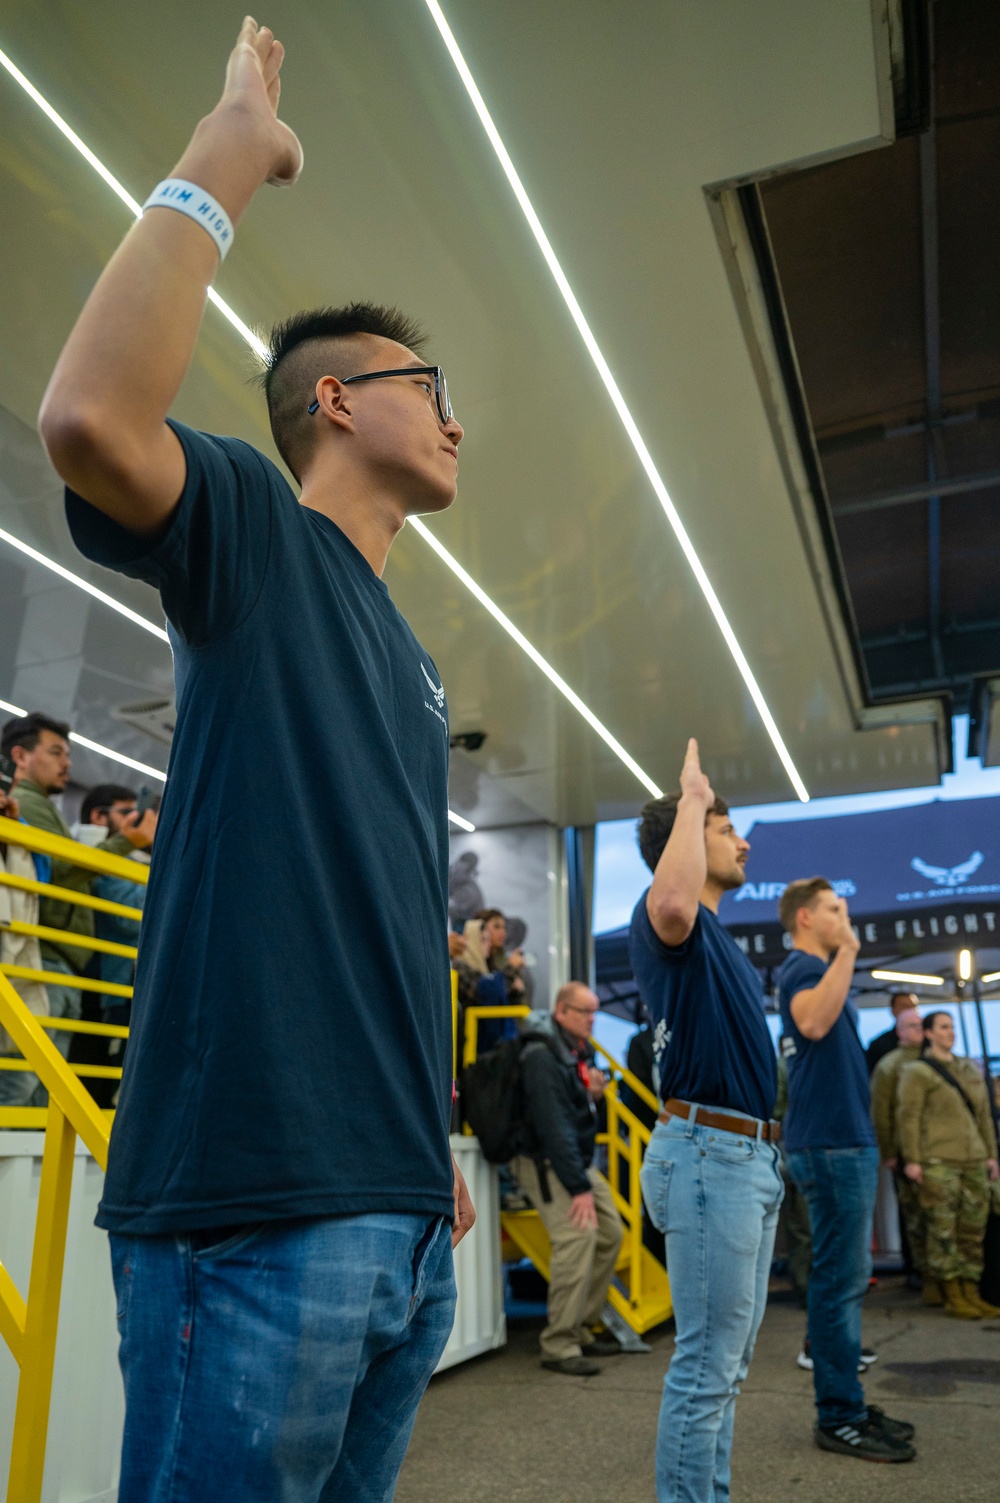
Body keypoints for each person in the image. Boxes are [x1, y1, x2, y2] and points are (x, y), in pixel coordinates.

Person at [38, 20, 473, 1502]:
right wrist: (231, 149)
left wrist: (432, 1159)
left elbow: (396, 919)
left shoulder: (414, 658)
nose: (458, 412)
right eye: (431, 380)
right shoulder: (255, 533)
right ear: (338, 402)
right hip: (260, 1203)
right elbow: (91, 417)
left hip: (399, 1211)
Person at [629, 738, 783, 1503]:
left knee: (727, 1363)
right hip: (710, 1155)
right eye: (728, 827)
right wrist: (692, 797)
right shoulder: (669, 918)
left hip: (742, 1159)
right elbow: (673, 900)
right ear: (688, 840)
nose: (743, 839)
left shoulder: (715, 939)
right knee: (706, 1365)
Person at [776, 878, 913, 1463]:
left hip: (839, 1142)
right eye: (835, 909)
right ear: (806, 917)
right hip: (831, 1146)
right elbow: (810, 1024)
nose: (845, 917)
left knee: (845, 1278)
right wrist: (850, 951)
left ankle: (847, 1401)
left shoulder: (817, 970)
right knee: (838, 1281)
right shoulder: (803, 971)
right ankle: (838, 1414)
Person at [2, 715, 152, 1062]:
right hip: (44, 957)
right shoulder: (26, 800)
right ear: (21, 757)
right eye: (56, 752)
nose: (66, 763)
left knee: (38, 1089)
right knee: (22, 1084)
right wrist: (126, 843)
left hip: (58, 960)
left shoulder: (38, 805)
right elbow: (57, 870)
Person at [510, 983, 624, 1375]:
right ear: (561, 1011)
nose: (591, 1018)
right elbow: (553, 1127)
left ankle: (581, 1325)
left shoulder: (578, 1052)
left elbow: (574, 1119)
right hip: (543, 1162)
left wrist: (592, 1097)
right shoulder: (542, 1056)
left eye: (594, 1012)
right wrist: (578, 1188)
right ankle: (559, 1344)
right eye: (583, 1011)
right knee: (578, 1237)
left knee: (611, 1234)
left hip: (572, 1160)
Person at [897, 1011, 1000, 1320]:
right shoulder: (917, 1072)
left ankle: (971, 1290)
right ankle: (951, 1293)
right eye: (943, 1027)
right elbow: (908, 1116)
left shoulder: (967, 1068)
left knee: (972, 1230)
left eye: (952, 1027)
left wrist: (991, 1155)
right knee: (943, 1231)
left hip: (973, 1159)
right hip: (938, 1161)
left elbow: (984, 1115)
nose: (950, 1032)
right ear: (928, 1033)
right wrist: (912, 1160)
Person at [870, 1008, 927, 1294]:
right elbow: (881, 1112)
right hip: (905, 1150)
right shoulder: (889, 1066)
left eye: (921, 1025)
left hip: (933, 1148)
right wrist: (890, 1152)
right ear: (899, 1031)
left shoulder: (931, 1059)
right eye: (912, 1025)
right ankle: (915, 1269)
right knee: (911, 1214)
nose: (919, 1030)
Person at [0, 785, 50, 1107]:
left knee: (24, 1077)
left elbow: (41, 882)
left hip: (12, 952)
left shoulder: (15, 825)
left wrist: (15, 828)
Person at [866, 993, 920, 1074]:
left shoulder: (931, 1041)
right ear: (893, 1010)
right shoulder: (879, 1044)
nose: (910, 1009)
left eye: (913, 1006)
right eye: (904, 1006)